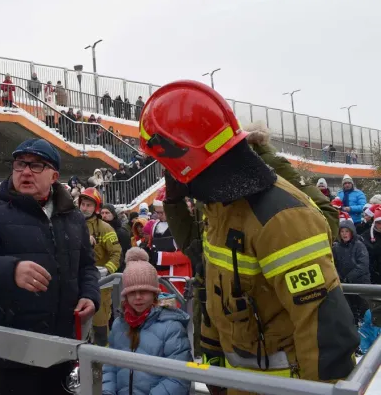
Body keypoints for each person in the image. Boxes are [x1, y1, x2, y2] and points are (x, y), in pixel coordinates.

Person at [140, 80, 358, 394]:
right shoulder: (219, 210)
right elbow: (216, 295)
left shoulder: (281, 218)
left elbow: (327, 333)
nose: (166, 172)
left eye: (166, 164)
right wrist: (214, 366)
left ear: (184, 160)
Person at [0, 138, 100, 395]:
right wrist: (11, 270)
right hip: (14, 356)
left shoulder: (73, 218)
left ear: (54, 175)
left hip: (64, 350)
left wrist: (90, 294)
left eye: (37, 165)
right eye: (20, 164)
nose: (26, 171)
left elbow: (87, 265)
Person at [102, 247, 192, 395]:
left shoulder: (171, 327)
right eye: (132, 292)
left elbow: (178, 377)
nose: (137, 297)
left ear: (154, 293)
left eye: (143, 291)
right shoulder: (119, 325)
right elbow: (110, 366)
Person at [78, 187, 121, 347]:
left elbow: (116, 254)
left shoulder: (105, 228)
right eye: (83, 204)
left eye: (89, 205)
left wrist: (106, 271)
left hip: (100, 287)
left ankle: (103, 366)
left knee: (100, 328)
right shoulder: (73, 225)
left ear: (95, 207)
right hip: (78, 284)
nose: (84, 208)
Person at [332, 220, 370, 325]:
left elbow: (363, 265)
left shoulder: (359, 246)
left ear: (352, 232)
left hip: (360, 283)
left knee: (363, 310)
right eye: (342, 231)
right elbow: (333, 265)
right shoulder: (336, 248)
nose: (344, 234)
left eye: (347, 231)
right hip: (344, 284)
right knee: (348, 311)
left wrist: (350, 277)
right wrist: (339, 277)